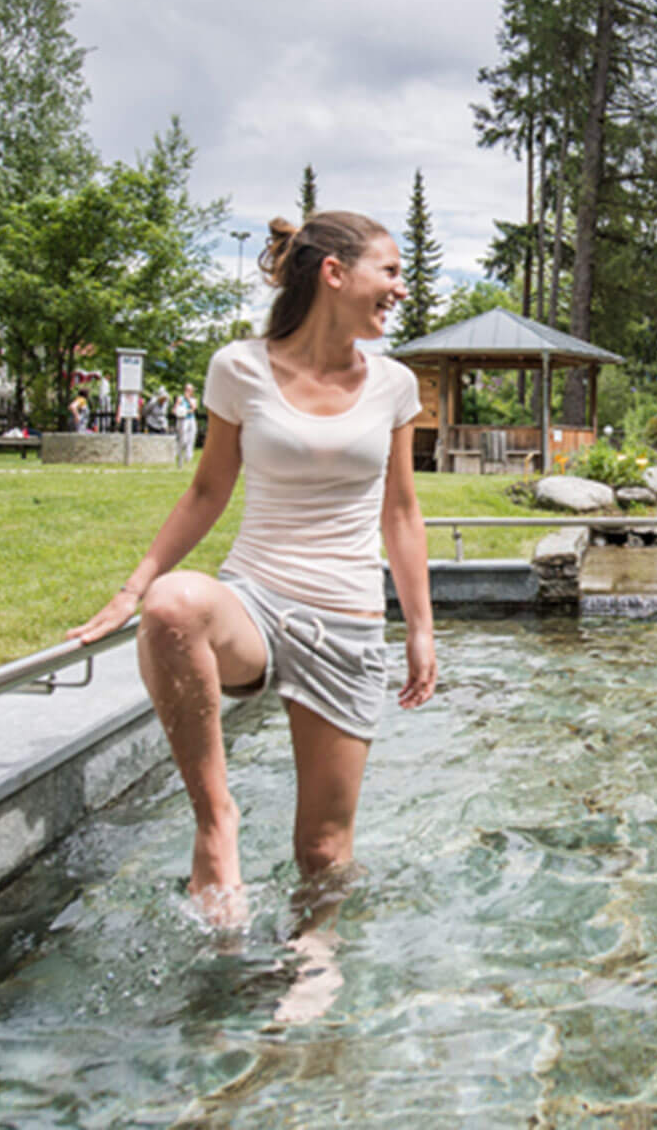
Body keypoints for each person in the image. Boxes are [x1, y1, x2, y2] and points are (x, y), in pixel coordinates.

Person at [70, 211, 436, 935]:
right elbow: (207, 492)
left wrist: (422, 628)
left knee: (323, 850)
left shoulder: (395, 384)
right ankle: (216, 825)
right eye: (390, 272)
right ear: (335, 273)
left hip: (348, 623)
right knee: (174, 606)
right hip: (257, 604)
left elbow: (401, 512)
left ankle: (317, 957)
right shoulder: (239, 367)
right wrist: (131, 590)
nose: (401, 289)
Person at [172, 382, 198, 467]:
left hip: (191, 419)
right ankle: (180, 456)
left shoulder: (193, 399)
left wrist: (188, 399)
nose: (189, 391)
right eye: (188, 390)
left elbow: (194, 408)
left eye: (190, 390)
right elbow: (174, 409)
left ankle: (188, 456)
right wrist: (178, 408)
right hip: (183, 420)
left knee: (191, 437)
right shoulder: (180, 398)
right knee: (183, 439)